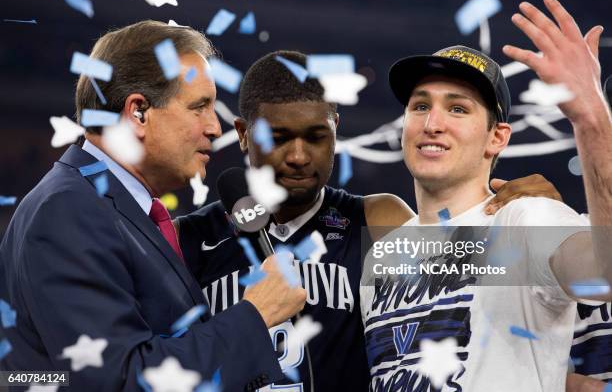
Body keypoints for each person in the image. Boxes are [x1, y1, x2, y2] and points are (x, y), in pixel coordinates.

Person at [177, 50, 565, 391]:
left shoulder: (376, 218)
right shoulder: (189, 239)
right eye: (278, 137)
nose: (298, 156)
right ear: (243, 135)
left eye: (315, 136)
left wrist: (534, 213)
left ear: (335, 131)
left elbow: (471, 273)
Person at [0, 21, 307, 391]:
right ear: (138, 112)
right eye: (200, 107)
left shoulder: (113, 207)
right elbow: (120, 380)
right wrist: (256, 316)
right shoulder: (67, 210)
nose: (214, 128)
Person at [360, 0, 612, 391]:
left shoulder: (524, 219)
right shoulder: (381, 257)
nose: (433, 123)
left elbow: (604, 274)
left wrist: (591, 119)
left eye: (458, 109)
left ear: (497, 138)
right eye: (420, 106)